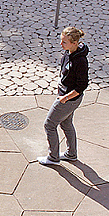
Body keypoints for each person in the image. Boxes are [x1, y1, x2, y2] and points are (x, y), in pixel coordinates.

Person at [38, 27, 89, 166]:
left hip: (68, 100)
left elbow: (82, 85)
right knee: (66, 123)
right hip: (66, 97)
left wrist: (65, 98)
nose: (61, 44)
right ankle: (71, 154)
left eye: (64, 42)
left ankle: (53, 157)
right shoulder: (69, 53)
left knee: (49, 125)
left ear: (74, 43)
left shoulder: (80, 61)